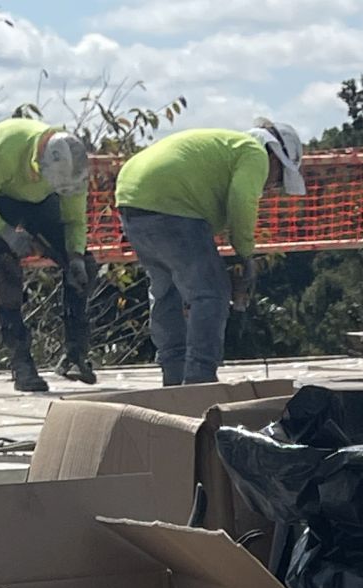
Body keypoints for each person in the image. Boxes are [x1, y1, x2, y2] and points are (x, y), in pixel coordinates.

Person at [114, 118, 304, 387]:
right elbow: (242, 198)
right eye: (279, 177)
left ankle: (174, 373)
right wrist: (245, 254)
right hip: (173, 205)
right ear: (275, 155)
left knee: (167, 291)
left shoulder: (227, 148)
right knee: (212, 293)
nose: (272, 186)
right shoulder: (254, 153)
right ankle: (199, 378)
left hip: (131, 201)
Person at [0, 120, 95, 395]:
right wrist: (6, 233)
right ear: (40, 166)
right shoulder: (4, 151)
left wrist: (76, 256)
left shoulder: (71, 171)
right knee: (8, 271)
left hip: (41, 201)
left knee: (84, 269)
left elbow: (74, 219)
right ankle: (21, 361)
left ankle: (75, 355)